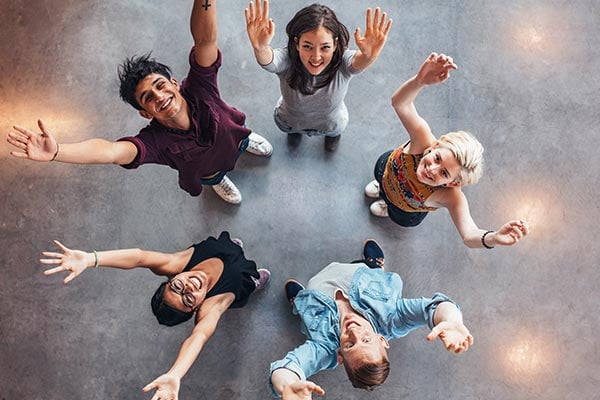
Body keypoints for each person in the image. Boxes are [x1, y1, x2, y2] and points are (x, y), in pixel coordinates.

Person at [6, 0, 272, 205]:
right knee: (211, 176)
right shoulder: (154, 143)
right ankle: (218, 180)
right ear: (145, 114)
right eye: (148, 98)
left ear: (175, 83)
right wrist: (57, 152)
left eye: (160, 85)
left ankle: (246, 142)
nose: (159, 96)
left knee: (241, 139)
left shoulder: (201, 85)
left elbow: (204, 39)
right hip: (206, 170)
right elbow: (110, 152)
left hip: (234, 137)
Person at [40, 231, 271, 400]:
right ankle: (252, 279)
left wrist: (91, 259)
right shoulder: (212, 306)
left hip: (218, 249)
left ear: (171, 278)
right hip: (238, 279)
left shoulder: (177, 264)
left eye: (177, 287)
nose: (188, 287)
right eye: (188, 299)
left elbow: (139, 257)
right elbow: (198, 336)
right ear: (196, 309)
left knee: (230, 247)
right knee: (246, 281)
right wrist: (175, 375)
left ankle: (232, 248)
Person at [270, 239, 473, 399]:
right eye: (366, 340)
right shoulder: (393, 317)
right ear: (382, 339)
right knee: (369, 270)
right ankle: (374, 266)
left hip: (317, 292)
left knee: (305, 306)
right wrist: (452, 319)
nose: (354, 331)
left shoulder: (325, 348)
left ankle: (301, 300)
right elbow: (433, 308)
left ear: (339, 356)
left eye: (349, 345)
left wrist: (288, 386)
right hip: (359, 274)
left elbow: (290, 366)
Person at [365, 53, 529, 249]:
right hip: (386, 168)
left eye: (444, 173)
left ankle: (388, 205)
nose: (432, 169)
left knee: (396, 212)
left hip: (404, 209)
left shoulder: (451, 197)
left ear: (452, 182)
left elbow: (469, 235)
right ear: (434, 147)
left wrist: (493, 238)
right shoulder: (422, 139)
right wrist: (420, 81)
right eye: (436, 158)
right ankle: (382, 187)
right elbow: (400, 103)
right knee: (383, 178)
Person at [244, 0, 392, 151]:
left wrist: (368, 56)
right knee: (292, 131)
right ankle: (295, 133)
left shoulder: (342, 63)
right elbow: (270, 62)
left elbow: (358, 62)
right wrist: (260, 47)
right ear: (297, 43)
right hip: (289, 121)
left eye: (325, 47)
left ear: (335, 45)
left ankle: (331, 136)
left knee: (333, 132)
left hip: (332, 124)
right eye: (307, 46)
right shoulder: (288, 59)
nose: (316, 57)